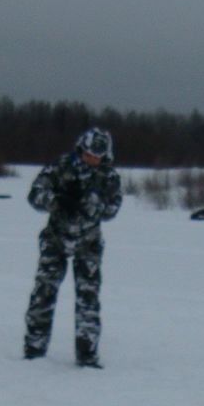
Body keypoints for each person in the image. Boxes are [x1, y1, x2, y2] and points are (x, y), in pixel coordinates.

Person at [23, 127, 122, 367]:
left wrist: (90, 204)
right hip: (56, 240)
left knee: (88, 298)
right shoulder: (61, 166)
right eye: (88, 154)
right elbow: (35, 194)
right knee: (44, 293)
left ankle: (87, 354)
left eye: (97, 157)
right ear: (81, 149)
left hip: (88, 244)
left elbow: (113, 208)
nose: (92, 160)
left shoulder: (108, 176)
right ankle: (34, 349)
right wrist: (57, 201)